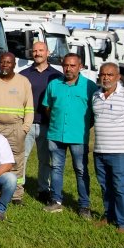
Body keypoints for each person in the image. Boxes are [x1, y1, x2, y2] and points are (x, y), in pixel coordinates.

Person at [91, 62, 124, 232]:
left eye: (110, 75)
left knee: (120, 187)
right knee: (105, 186)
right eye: (103, 74)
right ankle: (109, 216)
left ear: (118, 77)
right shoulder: (95, 96)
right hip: (100, 150)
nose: (106, 78)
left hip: (119, 151)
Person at [42, 53, 98, 218]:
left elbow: (95, 113)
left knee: (81, 170)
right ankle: (56, 201)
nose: (68, 68)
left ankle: (84, 205)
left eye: (73, 65)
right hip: (56, 134)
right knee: (56, 168)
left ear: (80, 67)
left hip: (78, 137)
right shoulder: (54, 84)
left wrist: (84, 127)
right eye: (66, 65)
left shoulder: (90, 87)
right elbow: (47, 107)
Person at [0, 52, 33, 203]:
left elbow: (29, 108)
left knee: (16, 161)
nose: (5, 65)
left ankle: (16, 194)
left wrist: (25, 129)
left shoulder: (23, 82)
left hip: (16, 127)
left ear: (14, 64)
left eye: (8, 62)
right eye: (2, 62)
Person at [19, 41, 62, 203]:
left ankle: (43, 189)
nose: (37, 53)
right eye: (35, 51)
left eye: (41, 50)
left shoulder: (56, 76)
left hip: (47, 125)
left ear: (48, 52)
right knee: (22, 157)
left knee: (45, 160)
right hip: (27, 123)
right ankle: (18, 188)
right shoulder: (23, 74)